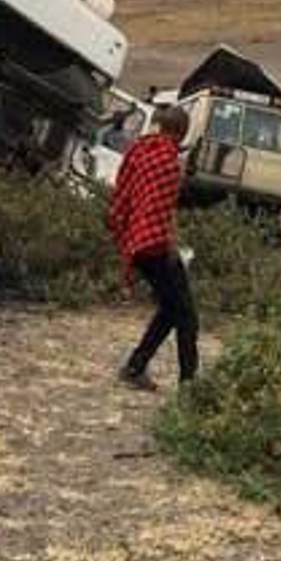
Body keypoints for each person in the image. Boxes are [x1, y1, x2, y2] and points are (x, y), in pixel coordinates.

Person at [110, 106, 198, 391]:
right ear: (181, 132)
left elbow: (126, 194)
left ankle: (136, 366)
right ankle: (189, 385)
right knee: (186, 314)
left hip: (137, 240)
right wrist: (171, 245)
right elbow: (163, 210)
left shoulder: (141, 151)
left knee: (170, 309)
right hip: (156, 244)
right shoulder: (169, 162)